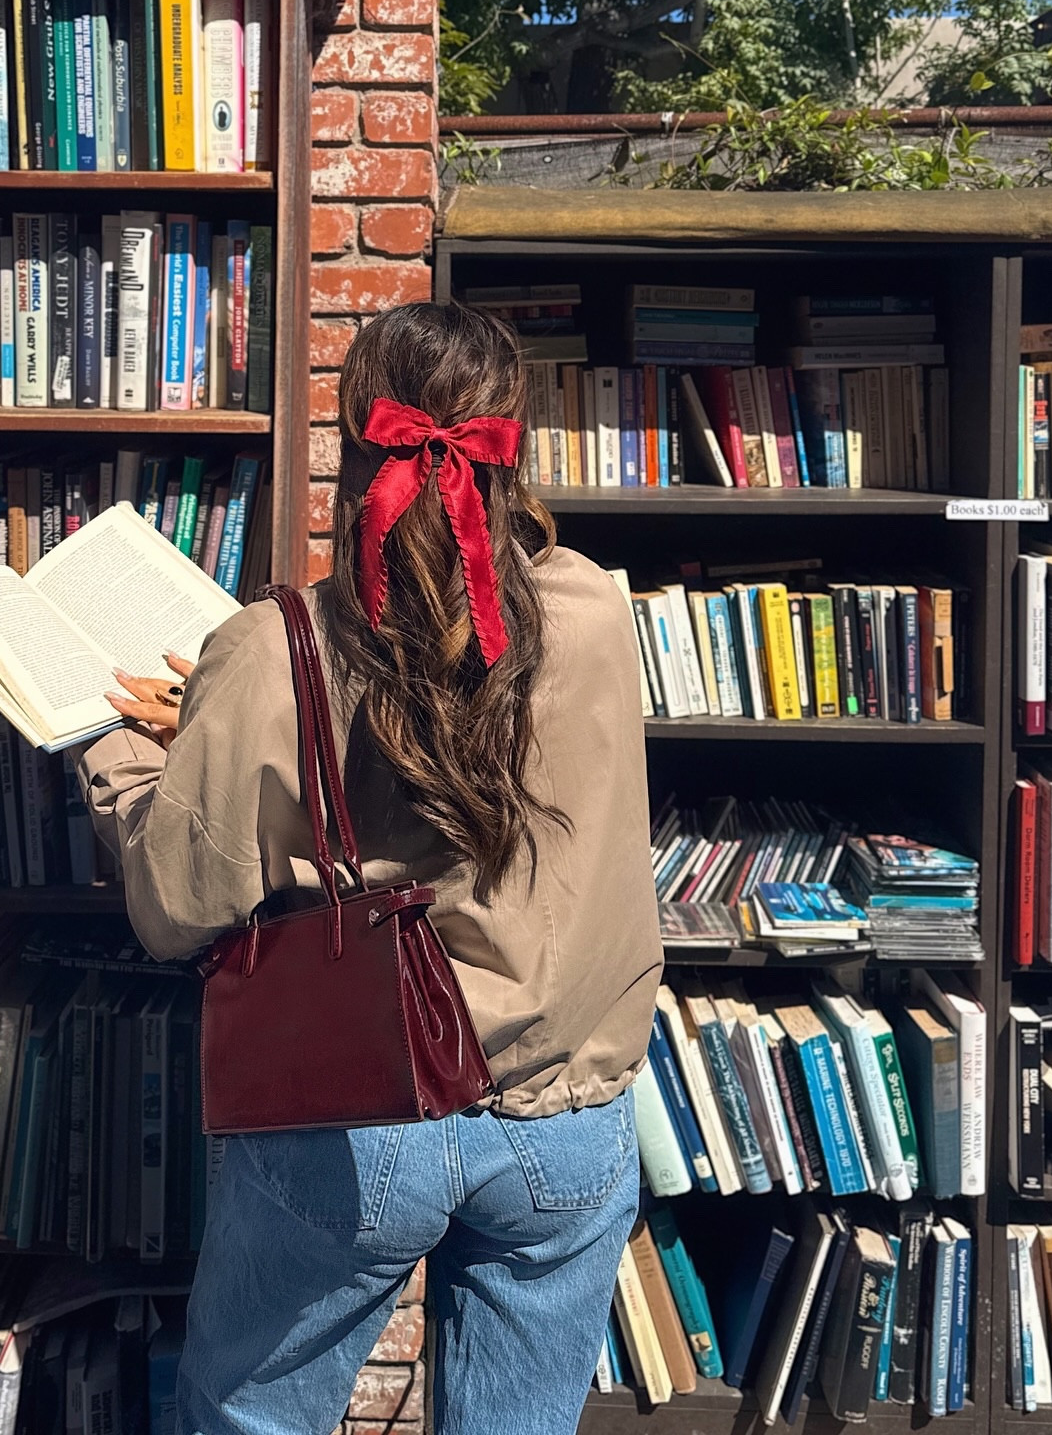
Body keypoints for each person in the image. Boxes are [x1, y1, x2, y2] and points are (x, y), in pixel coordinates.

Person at [75, 301, 663, 1435]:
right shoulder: (594, 611)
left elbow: (174, 906)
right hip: (572, 1122)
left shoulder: (271, 648)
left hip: (363, 1128)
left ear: (352, 447)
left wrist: (126, 756)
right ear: (512, 444)